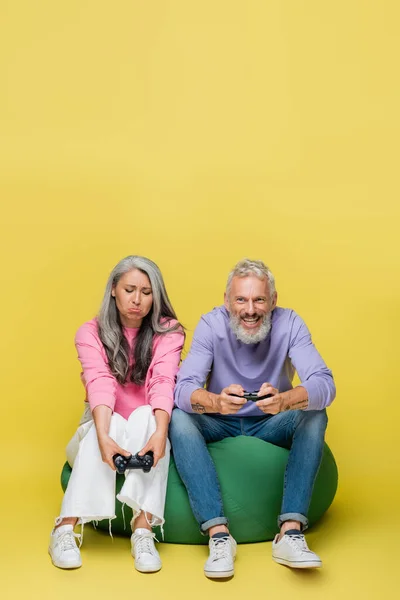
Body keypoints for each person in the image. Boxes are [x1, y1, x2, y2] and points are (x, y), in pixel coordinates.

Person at [170, 258, 335, 578]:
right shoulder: (211, 324)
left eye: (259, 299)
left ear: (273, 301)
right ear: (227, 300)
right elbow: (183, 389)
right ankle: (218, 535)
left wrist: (286, 400)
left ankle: (290, 532)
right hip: (220, 419)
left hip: (272, 420)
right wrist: (215, 401)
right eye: (241, 299)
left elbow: (324, 383)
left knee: (315, 412)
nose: (249, 309)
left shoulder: (291, 323)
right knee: (179, 418)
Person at [49, 255, 184, 572]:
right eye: (129, 289)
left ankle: (143, 530)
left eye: (147, 292)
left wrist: (160, 433)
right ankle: (65, 528)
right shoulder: (90, 332)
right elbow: (100, 383)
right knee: (107, 427)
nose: (138, 300)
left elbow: (164, 382)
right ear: (113, 289)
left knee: (148, 416)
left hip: (146, 433)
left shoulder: (170, 332)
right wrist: (103, 435)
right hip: (102, 427)